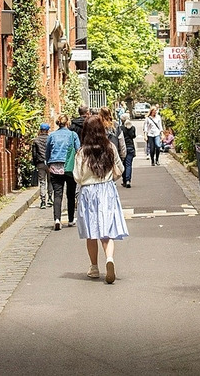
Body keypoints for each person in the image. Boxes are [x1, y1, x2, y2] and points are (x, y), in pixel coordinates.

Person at [73, 115, 129, 284]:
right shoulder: (110, 147)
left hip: (89, 192)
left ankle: (94, 267)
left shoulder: (82, 151)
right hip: (107, 190)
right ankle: (109, 258)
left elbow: (77, 176)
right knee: (107, 230)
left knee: (91, 232)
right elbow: (120, 168)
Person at [46, 114, 80, 231]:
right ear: (67, 123)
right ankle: (70, 219)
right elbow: (78, 150)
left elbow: (47, 151)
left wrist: (49, 163)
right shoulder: (73, 135)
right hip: (69, 167)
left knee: (57, 194)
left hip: (55, 166)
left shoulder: (52, 135)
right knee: (70, 194)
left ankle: (57, 219)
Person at [32, 123, 53, 208]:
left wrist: (34, 162)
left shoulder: (36, 140)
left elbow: (34, 153)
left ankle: (43, 201)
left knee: (42, 182)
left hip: (40, 163)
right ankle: (50, 198)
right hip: (49, 163)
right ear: (47, 131)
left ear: (40, 130)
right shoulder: (50, 139)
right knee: (50, 181)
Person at [120, 113, 136, 188]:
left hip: (123, 148)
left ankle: (124, 180)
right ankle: (128, 180)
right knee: (129, 164)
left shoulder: (120, 128)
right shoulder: (132, 127)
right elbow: (133, 136)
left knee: (123, 164)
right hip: (130, 147)